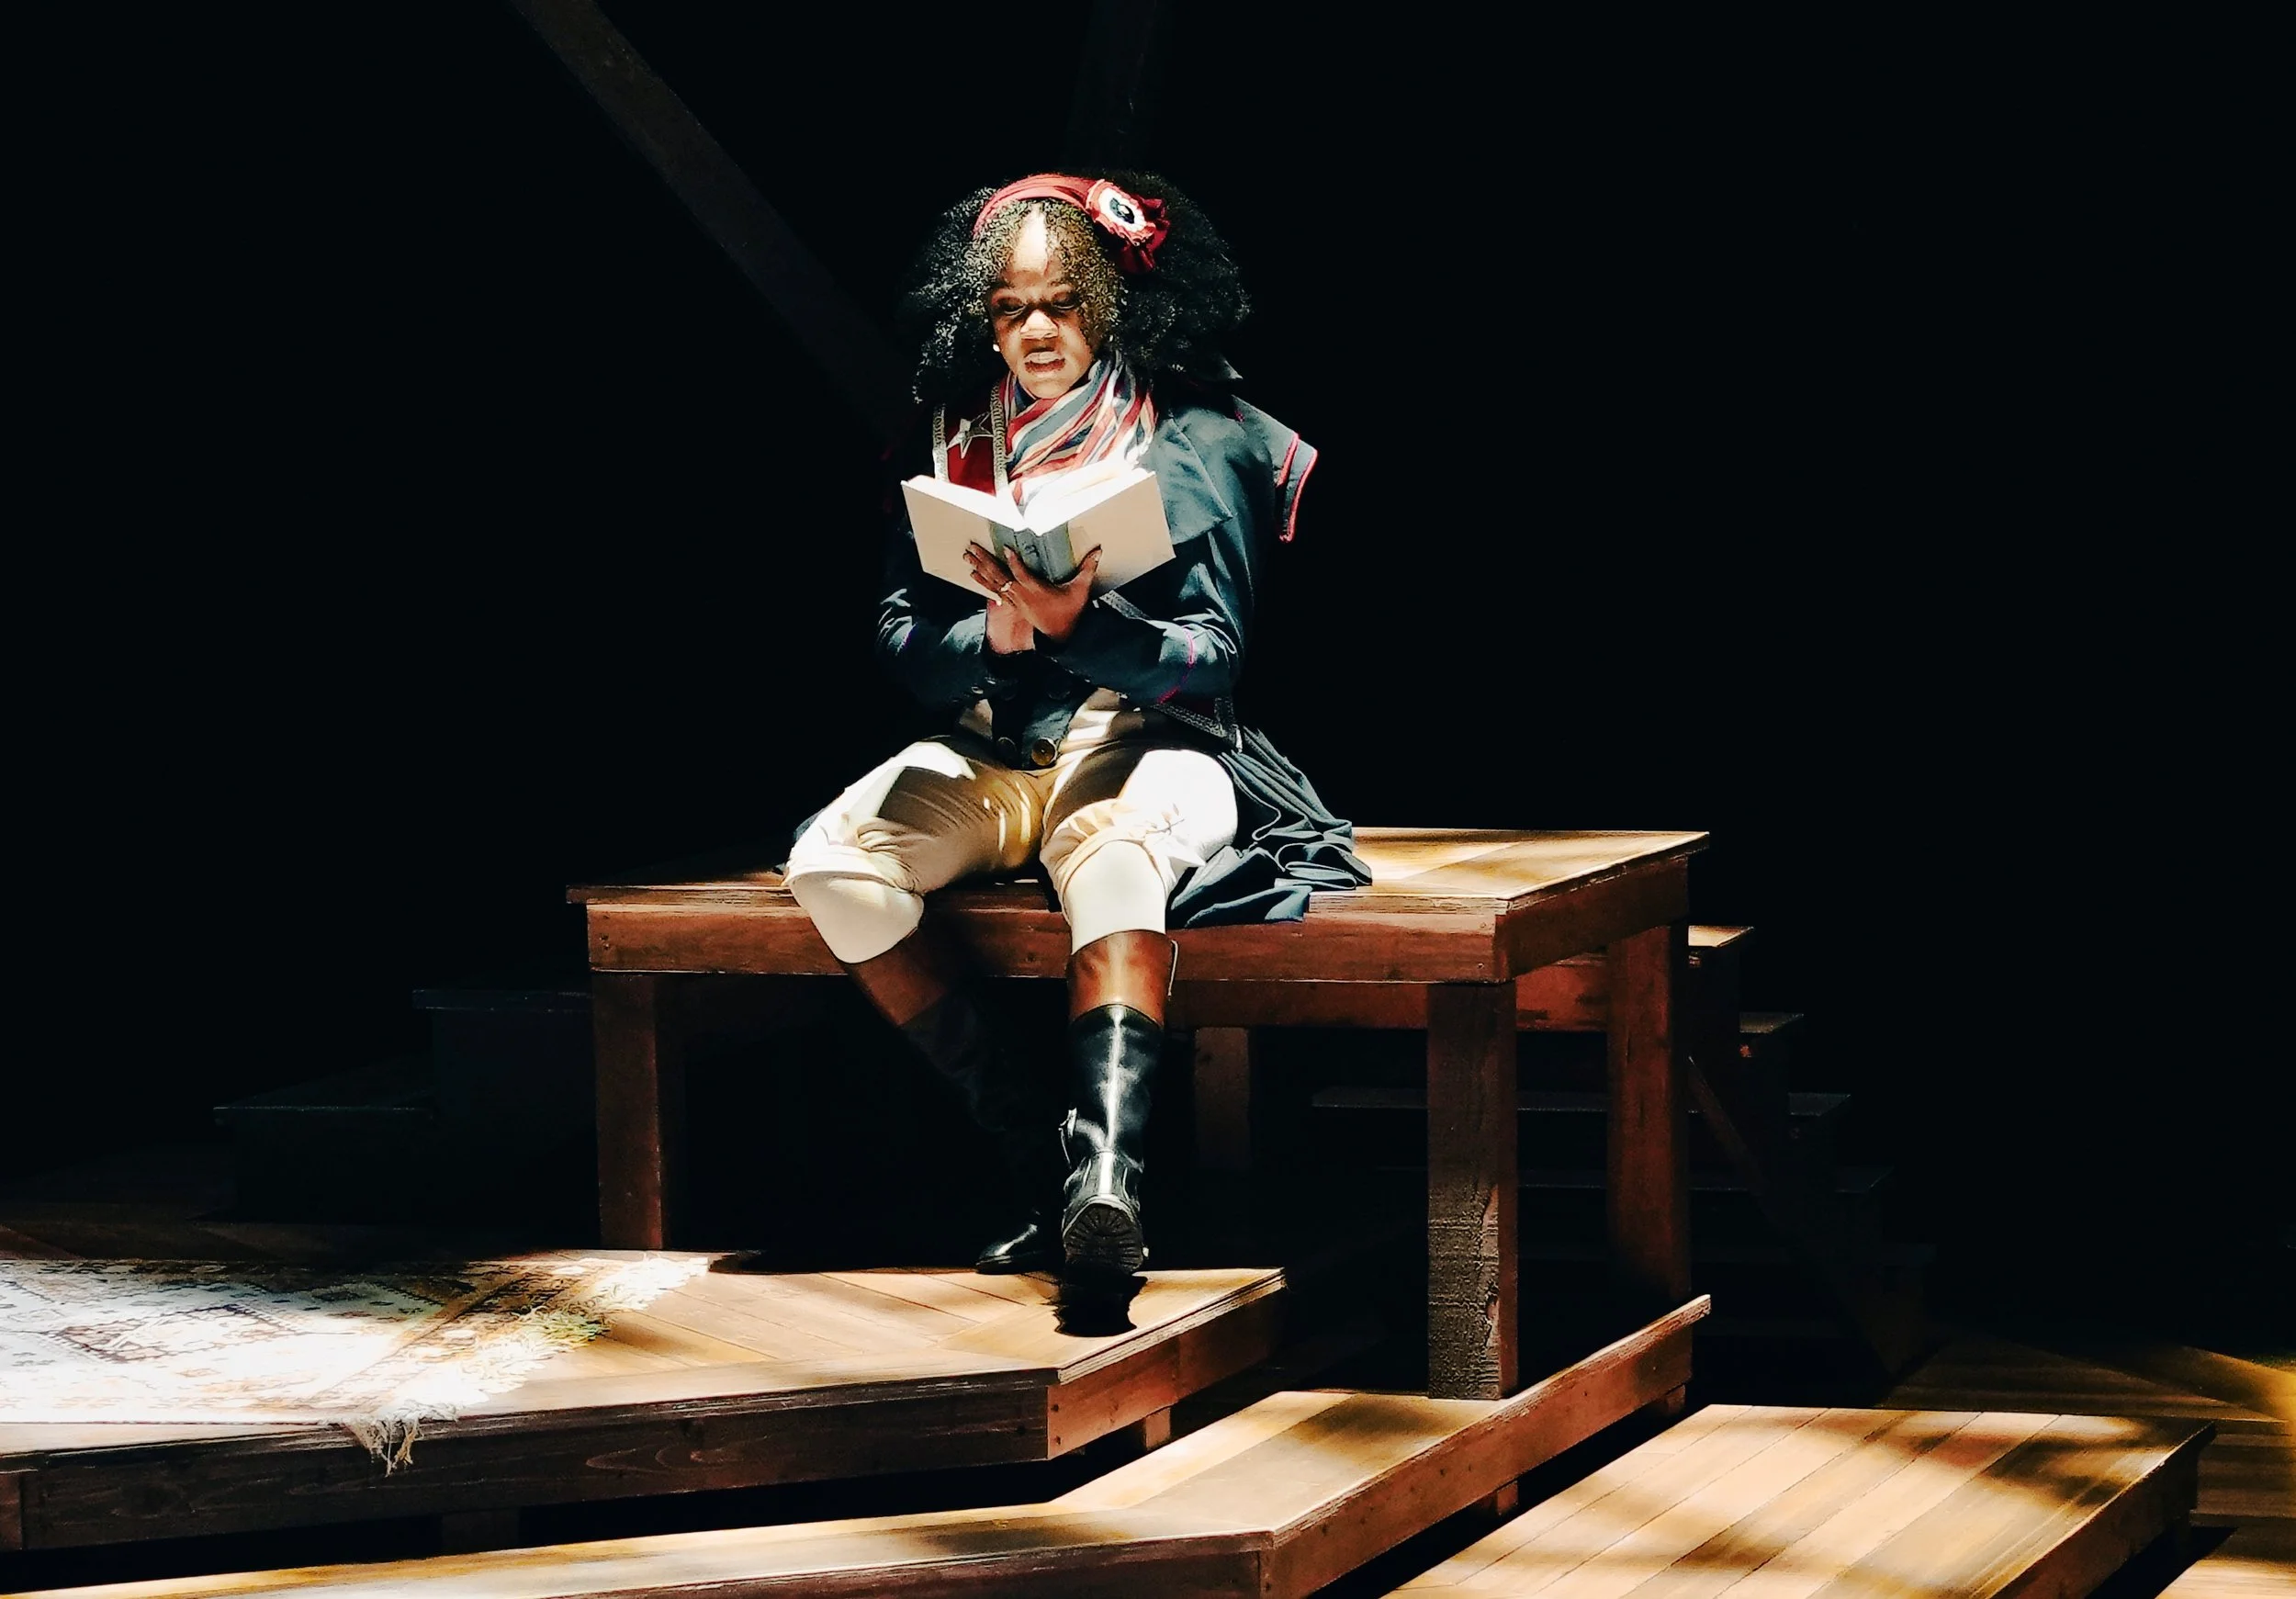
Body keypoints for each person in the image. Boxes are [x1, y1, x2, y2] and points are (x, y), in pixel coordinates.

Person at [784, 171, 1368, 1280]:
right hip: (993, 748)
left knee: (1115, 858)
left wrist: (1081, 627)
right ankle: (1034, 1155)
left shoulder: (1193, 435)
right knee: (833, 865)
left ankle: (1110, 1184)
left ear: (1110, 304)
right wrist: (996, 637)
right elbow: (901, 638)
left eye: (1062, 302)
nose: (1037, 329)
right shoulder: (950, 438)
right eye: (1011, 308)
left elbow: (1213, 653)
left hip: (1151, 738)